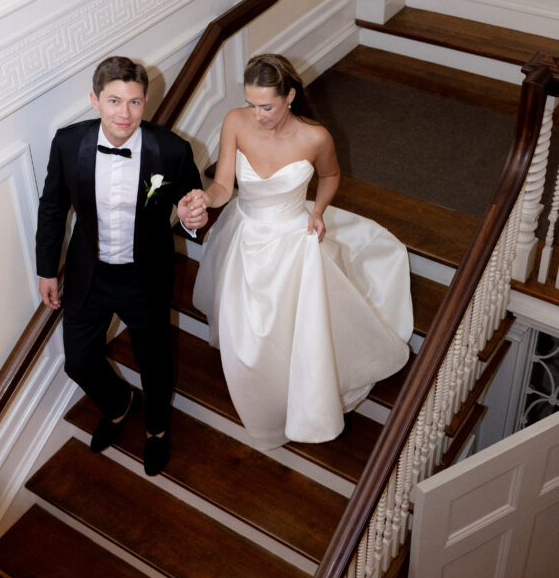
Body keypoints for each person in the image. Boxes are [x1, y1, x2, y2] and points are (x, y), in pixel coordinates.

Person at [185, 53, 413, 450]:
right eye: (251, 104)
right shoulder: (235, 121)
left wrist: (319, 211)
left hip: (293, 238)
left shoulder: (315, 137)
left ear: (289, 96)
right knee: (248, 330)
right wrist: (205, 198)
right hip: (245, 233)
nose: (257, 115)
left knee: (298, 321)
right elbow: (222, 186)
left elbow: (331, 175)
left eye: (266, 106)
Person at [36, 56, 207, 476]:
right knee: (78, 361)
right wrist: (46, 269)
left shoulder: (171, 150)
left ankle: (157, 429)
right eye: (114, 101)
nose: (124, 113)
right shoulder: (68, 143)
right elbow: (53, 207)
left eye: (134, 102)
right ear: (95, 100)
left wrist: (192, 216)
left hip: (143, 275)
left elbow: (192, 204)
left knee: (155, 365)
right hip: (89, 272)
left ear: (145, 101)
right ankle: (119, 403)